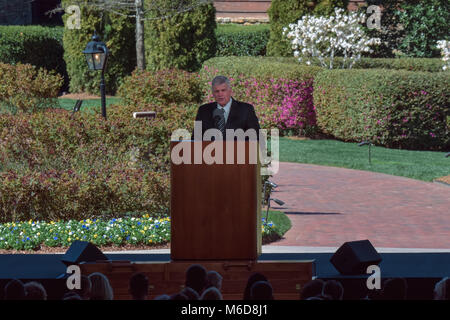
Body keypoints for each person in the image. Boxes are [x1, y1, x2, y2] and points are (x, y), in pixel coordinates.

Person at [193, 75, 260, 141]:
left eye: (223, 90)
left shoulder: (246, 110)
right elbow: (195, 139)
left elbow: (256, 138)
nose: (220, 94)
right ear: (213, 93)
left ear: (230, 91)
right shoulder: (203, 111)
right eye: (217, 91)